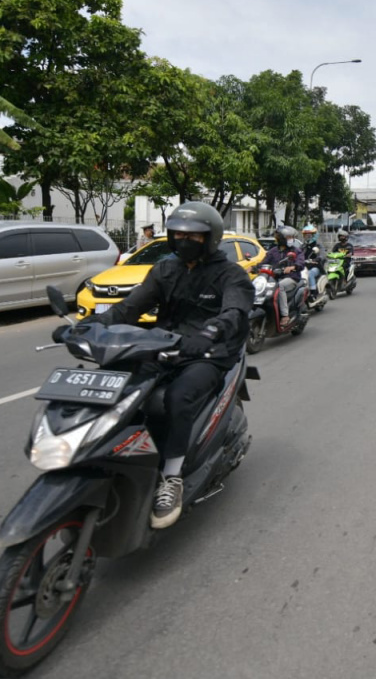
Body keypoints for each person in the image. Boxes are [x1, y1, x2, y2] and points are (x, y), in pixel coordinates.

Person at [60, 202, 252, 529]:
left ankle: (172, 477)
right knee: (120, 385)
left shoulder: (230, 274)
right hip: (165, 345)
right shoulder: (165, 270)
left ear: (211, 238)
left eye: (193, 235)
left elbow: (234, 312)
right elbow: (129, 309)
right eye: (177, 234)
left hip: (209, 353)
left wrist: (211, 331)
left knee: (179, 398)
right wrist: (89, 325)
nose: (183, 240)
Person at [260, 226, 304, 328]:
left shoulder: (296, 251)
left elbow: (300, 263)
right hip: (275, 277)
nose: (291, 239)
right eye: (288, 237)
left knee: (280, 287)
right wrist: (253, 268)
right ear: (281, 238)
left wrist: (293, 267)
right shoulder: (273, 251)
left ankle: (285, 315)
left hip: (291, 277)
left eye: (291, 237)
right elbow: (263, 262)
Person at [301, 224, 324, 291]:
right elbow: (298, 253)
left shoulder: (318, 245)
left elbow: (323, 254)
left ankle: (313, 291)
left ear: (314, 235)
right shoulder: (303, 246)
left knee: (310, 273)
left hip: (316, 266)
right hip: (303, 266)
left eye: (309, 235)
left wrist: (318, 258)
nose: (307, 237)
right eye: (306, 235)